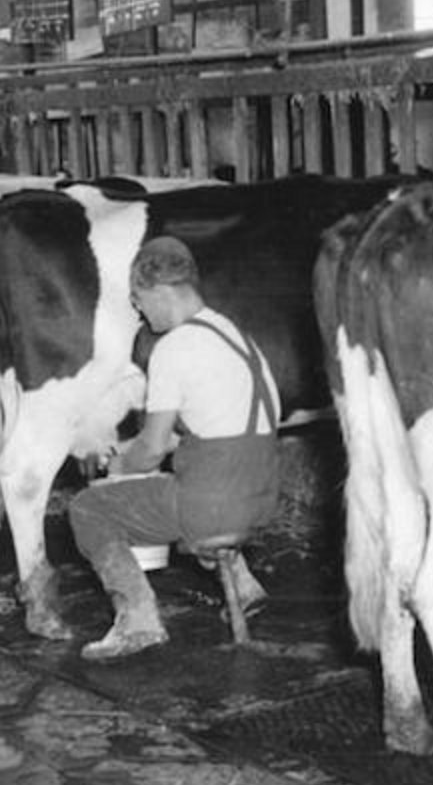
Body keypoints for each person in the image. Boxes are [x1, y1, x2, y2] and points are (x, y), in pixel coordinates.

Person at [68, 236, 281, 660]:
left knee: (88, 508)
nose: (139, 312)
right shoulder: (232, 333)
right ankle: (243, 584)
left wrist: (118, 467)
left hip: (211, 507)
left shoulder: (174, 348)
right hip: (262, 499)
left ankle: (138, 621)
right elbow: (210, 430)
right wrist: (132, 450)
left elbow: (152, 449)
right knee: (190, 486)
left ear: (162, 291)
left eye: (139, 300)